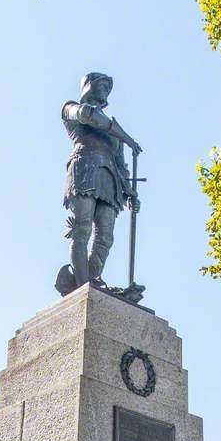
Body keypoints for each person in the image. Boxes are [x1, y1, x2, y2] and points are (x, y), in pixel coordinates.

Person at [57, 72, 141, 293]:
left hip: (110, 179)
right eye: (101, 85)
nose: (105, 89)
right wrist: (127, 137)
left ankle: (88, 280)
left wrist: (131, 192)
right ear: (88, 87)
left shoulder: (116, 133)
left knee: (105, 238)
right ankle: (83, 285)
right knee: (81, 229)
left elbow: (121, 165)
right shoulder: (70, 107)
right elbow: (88, 115)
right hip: (85, 168)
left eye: (107, 87)